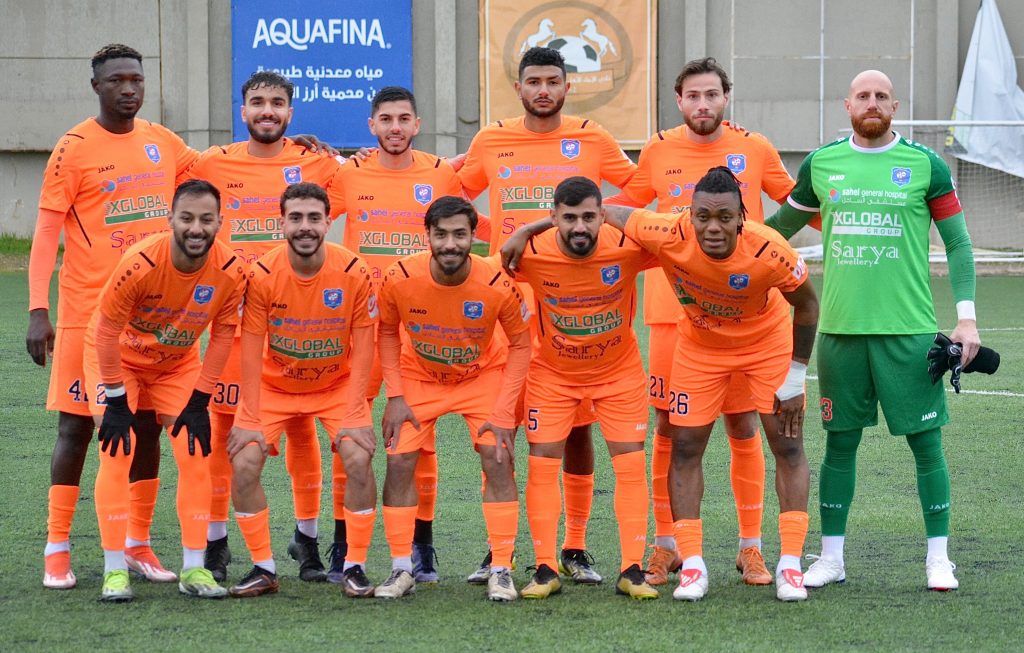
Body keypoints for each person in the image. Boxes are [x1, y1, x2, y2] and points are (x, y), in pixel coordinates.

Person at [765, 70, 980, 591]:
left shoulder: (925, 165)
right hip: (840, 334)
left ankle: (938, 559)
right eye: (863, 95)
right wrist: (717, 251)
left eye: (882, 96)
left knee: (926, 445)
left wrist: (967, 317)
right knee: (840, 445)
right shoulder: (821, 164)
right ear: (848, 105)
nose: (872, 102)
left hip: (909, 332)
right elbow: (776, 232)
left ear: (895, 106)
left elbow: (957, 243)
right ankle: (831, 558)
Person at [610, 57, 796, 586]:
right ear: (678, 100)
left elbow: (797, 202)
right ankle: (667, 544)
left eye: (712, 94)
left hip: (744, 318)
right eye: (693, 95)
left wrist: (770, 251)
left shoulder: (755, 148)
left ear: (726, 97)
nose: (703, 104)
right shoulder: (658, 149)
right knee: (669, 429)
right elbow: (625, 209)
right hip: (673, 314)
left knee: (743, 425)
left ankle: (750, 547)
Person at [457, 46, 639, 583]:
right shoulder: (490, 139)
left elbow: (637, 191)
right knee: (504, 428)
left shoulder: (593, 138)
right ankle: (501, 548)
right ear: (518, 88)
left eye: (552, 81)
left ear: (566, 87)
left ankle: (575, 546)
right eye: (533, 82)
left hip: (573, 301)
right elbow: (455, 195)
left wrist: (544, 228)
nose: (543, 90)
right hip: (508, 302)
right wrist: (497, 237)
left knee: (578, 432)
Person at [29, 43, 200, 589]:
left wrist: (294, 149)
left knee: (145, 427)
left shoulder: (161, 141)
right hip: (87, 316)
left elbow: (215, 168)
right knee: (77, 427)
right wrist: (38, 309)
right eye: (117, 80)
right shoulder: (73, 148)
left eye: (136, 80)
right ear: (96, 87)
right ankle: (57, 547)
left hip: (151, 319)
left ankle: (137, 543)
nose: (129, 89)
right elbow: (46, 232)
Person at [186, 70, 344, 584]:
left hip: (299, 322)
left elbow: (369, 178)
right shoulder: (211, 162)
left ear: (291, 113)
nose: (268, 111)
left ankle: (307, 539)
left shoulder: (317, 162)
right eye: (258, 102)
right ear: (243, 111)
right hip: (233, 324)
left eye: (278, 103)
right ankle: (216, 541)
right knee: (222, 433)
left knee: (303, 429)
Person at [326, 86, 481, 583]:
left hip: (416, 326)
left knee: (419, 440)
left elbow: (467, 227)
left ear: (417, 125)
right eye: (386, 119)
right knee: (349, 431)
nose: (395, 127)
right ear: (371, 125)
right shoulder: (349, 172)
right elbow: (310, 216)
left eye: (404, 119)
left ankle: (422, 545)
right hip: (357, 325)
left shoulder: (440, 174)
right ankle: (342, 544)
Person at [84, 179, 247, 601]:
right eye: (187, 218)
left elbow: (224, 334)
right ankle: (114, 570)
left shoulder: (231, 270)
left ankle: (194, 568)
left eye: (206, 219)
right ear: (170, 219)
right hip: (117, 359)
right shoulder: (139, 263)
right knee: (117, 449)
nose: (196, 228)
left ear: (220, 222)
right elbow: (105, 332)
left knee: (196, 451)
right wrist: (115, 400)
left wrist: (200, 400)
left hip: (176, 364)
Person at [501, 177, 658, 600]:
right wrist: (527, 230)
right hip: (552, 376)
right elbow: (497, 262)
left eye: (589, 216)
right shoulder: (531, 252)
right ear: (553, 218)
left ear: (603, 215)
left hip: (619, 374)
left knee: (630, 465)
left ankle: (632, 570)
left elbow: (672, 236)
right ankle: (545, 569)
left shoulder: (626, 246)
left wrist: (530, 225)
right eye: (569, 218)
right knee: (542, 465)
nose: (580, 227)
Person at [374, 196, 531, 601]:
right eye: (440, 234)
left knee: (498, 457)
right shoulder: (398, 277)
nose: (449, 244)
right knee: (399, 461)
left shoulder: (497, 282)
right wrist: (395, 395)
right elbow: (387, 331)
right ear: (426, 235)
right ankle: (401, 568)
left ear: (473, 235)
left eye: (459, 234)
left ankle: (501, 569)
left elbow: (520, 344)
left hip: (481, 375)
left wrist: (503, 410)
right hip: (419, 376)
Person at [225, 182, 376, 598]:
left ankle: (355, 566)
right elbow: (250, 349)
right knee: (243, 462)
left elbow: (364, 347)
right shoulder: (262, 275)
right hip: (274, 387)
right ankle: (263, 567)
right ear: (282, 224)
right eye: (295, 218)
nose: (305, 227)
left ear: (328, 222)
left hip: (335, 386)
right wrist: (249, 416)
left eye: (313, 218)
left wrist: (355, 412)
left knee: (358, 457)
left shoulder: (354, 271)